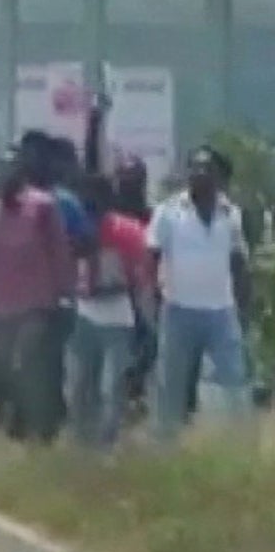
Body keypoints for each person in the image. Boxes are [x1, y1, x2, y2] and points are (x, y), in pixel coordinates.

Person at [148, 145, 253, 443]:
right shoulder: (168, 212)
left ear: (220, 176)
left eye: (208, 168)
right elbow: (152, 257)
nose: (200, 173)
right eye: (195, 167)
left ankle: (239, 444)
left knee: (233, 379)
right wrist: (153, 299)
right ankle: (165, 446)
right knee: (171, 383)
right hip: (178, 309)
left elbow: (238, 263)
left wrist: (242, 310)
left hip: (221, 311)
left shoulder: (230, 214)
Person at [0, 146, 76, 444]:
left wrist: (64, 292)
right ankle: (17, 429)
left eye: (8, 169)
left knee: (26, 364)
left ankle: (42, 429)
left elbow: (59, 251)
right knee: (2, 372)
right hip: (1, 306)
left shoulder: (42, 206)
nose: (2, 175)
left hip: (38, 303)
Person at [69, 173, 154, 450]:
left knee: (112, 383)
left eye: (96, 196)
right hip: (84, 313)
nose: (90, 201)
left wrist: (146, 317)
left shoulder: (127, 231)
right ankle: (82, 441)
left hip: (118, 316)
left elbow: (139, 277)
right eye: (86, 196)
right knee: (82, 384)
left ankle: (108, 440)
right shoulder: (73, 228)